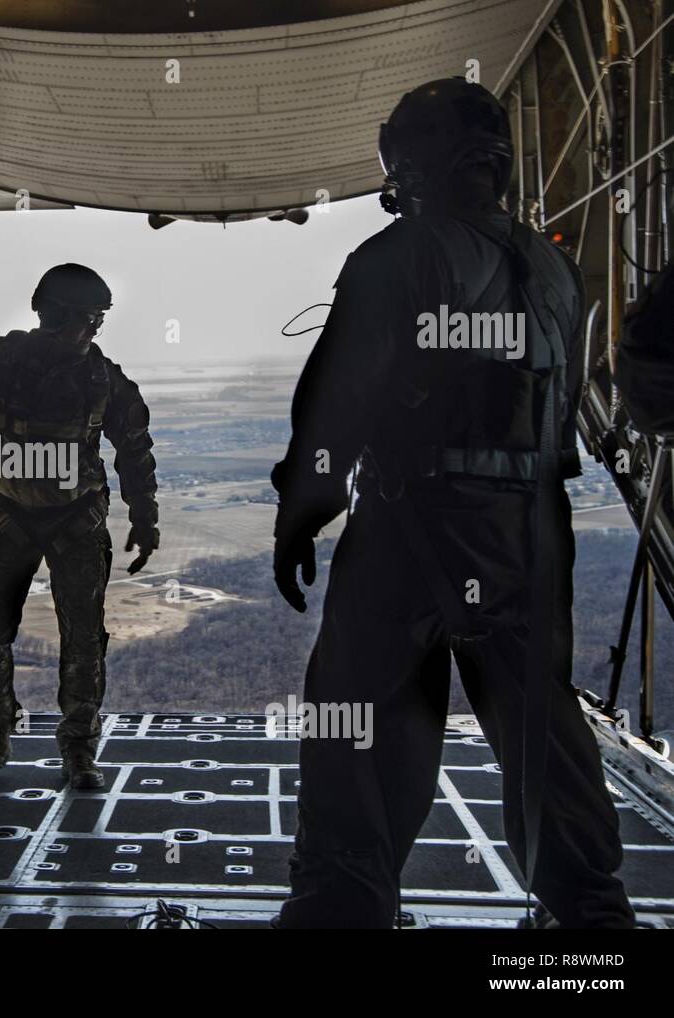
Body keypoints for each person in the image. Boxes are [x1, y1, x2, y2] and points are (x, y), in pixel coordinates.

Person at [270, 78, 634, 928]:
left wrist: (303, 510)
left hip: (412, 523)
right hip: (532, 533)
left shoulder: (401, 256)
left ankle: (343, 909)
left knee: (357, 722)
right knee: (543, 731)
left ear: (413, 161)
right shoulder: (553, 265)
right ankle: (590, 924)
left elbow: (337, 404)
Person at [0, 264, 158, 790]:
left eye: (99, 319)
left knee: (83, 644)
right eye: (83, 318)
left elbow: (135, 450)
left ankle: (78, 749)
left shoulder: (105, 379)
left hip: (77, 518)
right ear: (50, 315)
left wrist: (145, 516)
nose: (92, 329)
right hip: (8, 514)